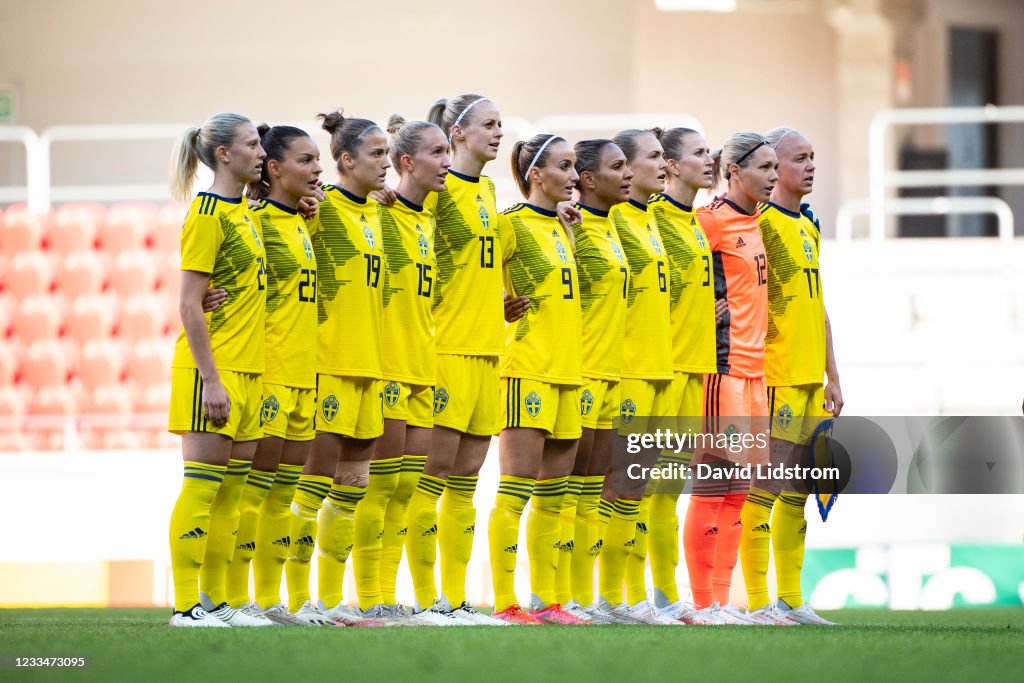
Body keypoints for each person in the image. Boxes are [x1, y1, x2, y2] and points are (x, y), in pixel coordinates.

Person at [397, 95, 510, 626]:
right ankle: (424, 600)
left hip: (489, 349)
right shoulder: (437, 194)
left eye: (500, 124)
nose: (498, 132)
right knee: (431, 476)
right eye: (489, 124)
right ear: (458, 133)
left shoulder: (487, 189)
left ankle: (455, 599)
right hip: (445, 347)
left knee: (466, 483)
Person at [208, 124, 327, 626]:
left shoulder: (304, 221)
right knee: (252, 494)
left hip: (305, 374)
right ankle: (234, 601)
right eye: (306, 160)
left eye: (319, 159)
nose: (317, 168)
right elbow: (213, 279)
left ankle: (269, 601)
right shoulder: (252, 221)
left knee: (284, 495)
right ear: (274, 169)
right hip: (269, 373)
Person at [284, 109, 393, 624]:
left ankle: (331, 602)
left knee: (350, 494)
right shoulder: (320, 208)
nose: (386, 163)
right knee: (309, 491)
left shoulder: (376, 212)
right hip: (329, 365)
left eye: (388, 153)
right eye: (376, 154)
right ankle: (295, 601)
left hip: (370, 367)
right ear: (345, 160)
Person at [166, 112, 271, 627]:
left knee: (233, 493)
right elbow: (188, 304)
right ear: (224, 154)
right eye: (252, 145)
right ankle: (186, 607)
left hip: (248, 369)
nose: (261, 152)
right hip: (214, 370)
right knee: (203, 487)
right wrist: (210, 378)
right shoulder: (206, 212)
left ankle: (216, 601)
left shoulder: (245, 212)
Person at [738, 126, 842, 625]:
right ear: (774, 167)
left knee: (798, 492)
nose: (810, 166)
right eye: (800, 157)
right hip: (774, 374)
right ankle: (757, 603)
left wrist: (833, 375)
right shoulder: (759, 222)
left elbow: (819, 305)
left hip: (808, 379)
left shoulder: (810, 224)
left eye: (813, 156)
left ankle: (791, 601)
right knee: (765, 489)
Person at [356, 114, 457, 625]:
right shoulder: (378, 210)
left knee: (405, 490)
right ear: (407, 163)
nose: (448, 162)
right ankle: (367, 597)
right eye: (438, 154)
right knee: (379, 486)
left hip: (423, 364)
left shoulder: (428, 217)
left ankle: (388, 598)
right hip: (388, 365)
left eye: (448, 152)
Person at [488, 133, 586, 625]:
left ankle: (548, 601)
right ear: (536, 175)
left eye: (574, 167)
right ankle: (505, 602)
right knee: (516, 489)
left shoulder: (566, 226)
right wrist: (497, 309)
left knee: (556, 496)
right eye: (565, 167)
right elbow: (471, 284)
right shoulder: (509, 225)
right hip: (527, 370)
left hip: (570, 371)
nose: (573, 176)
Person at [683, 131, 777, 625]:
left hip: (755, 372)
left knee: (740, 489)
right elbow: (682, 280)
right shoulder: (710, 221)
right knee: (713, 484)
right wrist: (704, 312)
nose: (774, 175)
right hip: (724, 370)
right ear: (734, 170)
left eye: (775, 166)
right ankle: (702, 604)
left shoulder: (754, 221)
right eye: (764, 167)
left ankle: (722, 601)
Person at [597, 128, 677, 624]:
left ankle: (626, 598)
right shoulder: (616, 217)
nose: (661, 164)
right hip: (625, 368)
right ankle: (607, 597)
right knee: (615, 485)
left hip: (656, 367)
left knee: (639, 489)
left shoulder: (648, 218)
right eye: (652, 156)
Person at [647, 127, 721, 622]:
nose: (710, 158)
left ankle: (662, 597)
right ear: (671, 166)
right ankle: (647, 594)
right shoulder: (650, 217)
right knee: (644, 487)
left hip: (695, 365)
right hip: (661, 368)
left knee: (670, 489)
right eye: (698, 153)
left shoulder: (693, 220)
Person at [557, 138, 632, 623]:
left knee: (592, 490)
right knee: (563, 489)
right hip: (578, 370)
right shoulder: (572, 226)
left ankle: (583, 600)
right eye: (617, 166)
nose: (625, 174)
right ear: (587, 179)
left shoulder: (613, 227)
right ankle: (555, 596)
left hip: (611, 371)